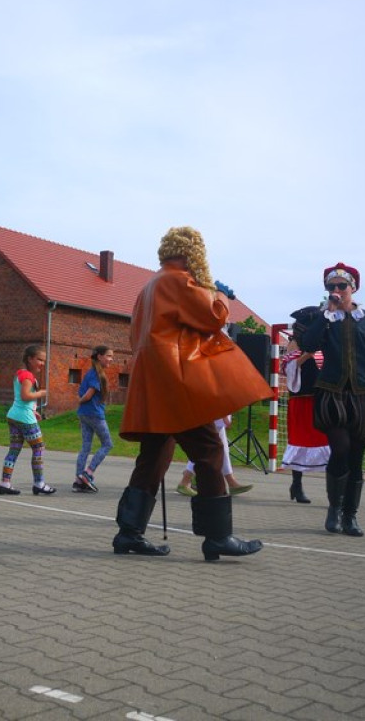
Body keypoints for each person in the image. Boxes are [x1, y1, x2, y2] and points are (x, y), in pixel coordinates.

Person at [114, 226, 272, 561]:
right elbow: (213, 317)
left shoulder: (149, 286)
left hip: (154, 382)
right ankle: (218, 537)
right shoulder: (178, 280)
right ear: (193, 252)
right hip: (175, 381)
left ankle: (128, 533)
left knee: (153, 457)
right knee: (209, 449)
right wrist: (221, 296)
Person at [297, 262, 365, 536]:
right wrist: (326, 314)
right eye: (331, 286)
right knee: (341, 447)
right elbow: (308, 345)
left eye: (341, 286)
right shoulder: (323, 319)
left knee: (356, 456)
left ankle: (350, 516)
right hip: (331, 395)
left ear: (353, 288)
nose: (336, 290)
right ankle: (334, 508)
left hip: (361, 397)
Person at [280, 307, 331, 504]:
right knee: (301, 442)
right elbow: (289, 369)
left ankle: (332, 494)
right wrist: (308, 354)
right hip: (302, 400)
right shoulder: (295, 342)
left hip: (321, 398)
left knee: (328, 443)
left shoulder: (323, 341)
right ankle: (297, 485)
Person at [0, 345, 55, 495]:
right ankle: (39, 483)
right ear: (30, 359)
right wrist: (42, 393)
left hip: (14, 416)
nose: (42, 363)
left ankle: (5, 483)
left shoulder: (20, 373)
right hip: (24, 419)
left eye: (44, 360)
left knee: (14, 450)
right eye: (39, 360)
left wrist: (33, 410)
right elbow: (25, 396)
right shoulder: (28, 376)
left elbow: (21, 398)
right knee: (38, 448)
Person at [174, 415, 253, 497]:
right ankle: (185, 481)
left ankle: (231, 482)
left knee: (221, 450)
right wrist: (225, 416)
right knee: (206, 450)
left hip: (216, 419)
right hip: (215, 418)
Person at [73, 345, 114, 493]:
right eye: (109, 356)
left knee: (86, 446)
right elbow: (89, 395)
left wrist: (81, 404)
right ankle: (88, 473)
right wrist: (80, 401)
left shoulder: (90, 373)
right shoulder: (97, 374)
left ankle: (78, 481)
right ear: (99, 357)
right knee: (108, 444)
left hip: (84, 414)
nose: (111, 359)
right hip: (94, 414)